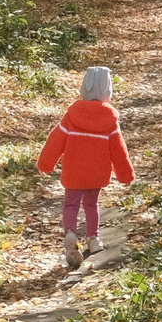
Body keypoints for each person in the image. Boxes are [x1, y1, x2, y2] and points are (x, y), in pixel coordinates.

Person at [38, 65, 133, 270]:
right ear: (107, 91)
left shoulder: (72, 115)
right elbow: (119, 149)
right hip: (96, 173)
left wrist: (46, 163)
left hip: (73, 170)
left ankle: (71, 234)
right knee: (92, 204)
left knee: (71, 205)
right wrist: (125, 174)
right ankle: (94, 239)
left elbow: (56, 140)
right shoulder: (110, 120)